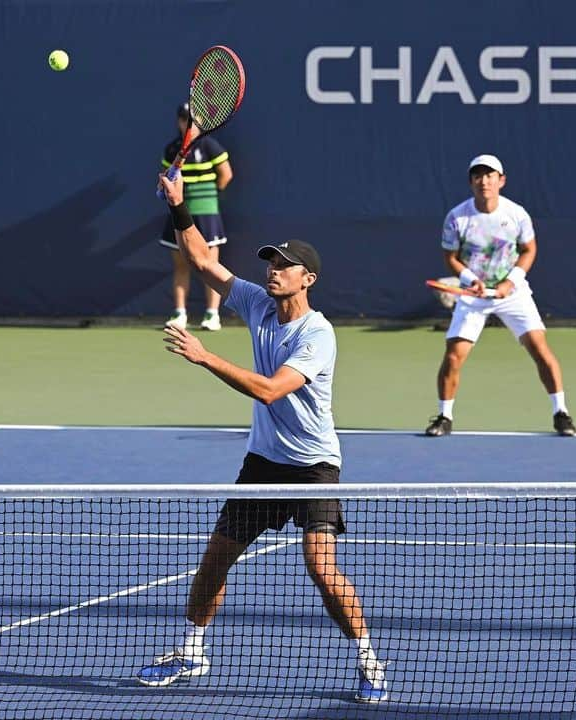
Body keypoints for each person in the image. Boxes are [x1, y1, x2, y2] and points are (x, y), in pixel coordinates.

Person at [136, 170, 388, 704]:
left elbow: (272, 391)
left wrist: (206, 358)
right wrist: (180, 206)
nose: (272, 271)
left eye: (283, 265)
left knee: (321, 569)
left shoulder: (317, 335)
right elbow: (204, 261)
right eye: (270, 263)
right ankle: (191, 650)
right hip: (263, 463)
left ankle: (368, 660)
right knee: (214, 560)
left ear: (308, 279)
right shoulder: (254, 303)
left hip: (314, 466)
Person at [425, 154, 576, 437]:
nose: (484, 181)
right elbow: (451, 257)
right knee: (454, 356)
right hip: (473, 295)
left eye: (490, 175)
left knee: (540, 350)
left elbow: (529, 249)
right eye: (478, 176)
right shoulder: (457, 217)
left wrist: (511, 280)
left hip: (512, 293)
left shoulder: (516, 214)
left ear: (501, 180)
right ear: (471, 182)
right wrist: (471, 279)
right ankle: (444, 416)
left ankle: (561, 413)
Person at [159, 102, 233, 331]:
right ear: (180, 122)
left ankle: (212, 315)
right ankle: (180, 314)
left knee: (210, 266)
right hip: (179, 212)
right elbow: (166, 180)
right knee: (181, 265)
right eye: (185, 120)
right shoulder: (172, 150)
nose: (190, 124)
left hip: (207, 214)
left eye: (193, 120)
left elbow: (225, 175)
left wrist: (208, 197)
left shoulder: (210, 146)